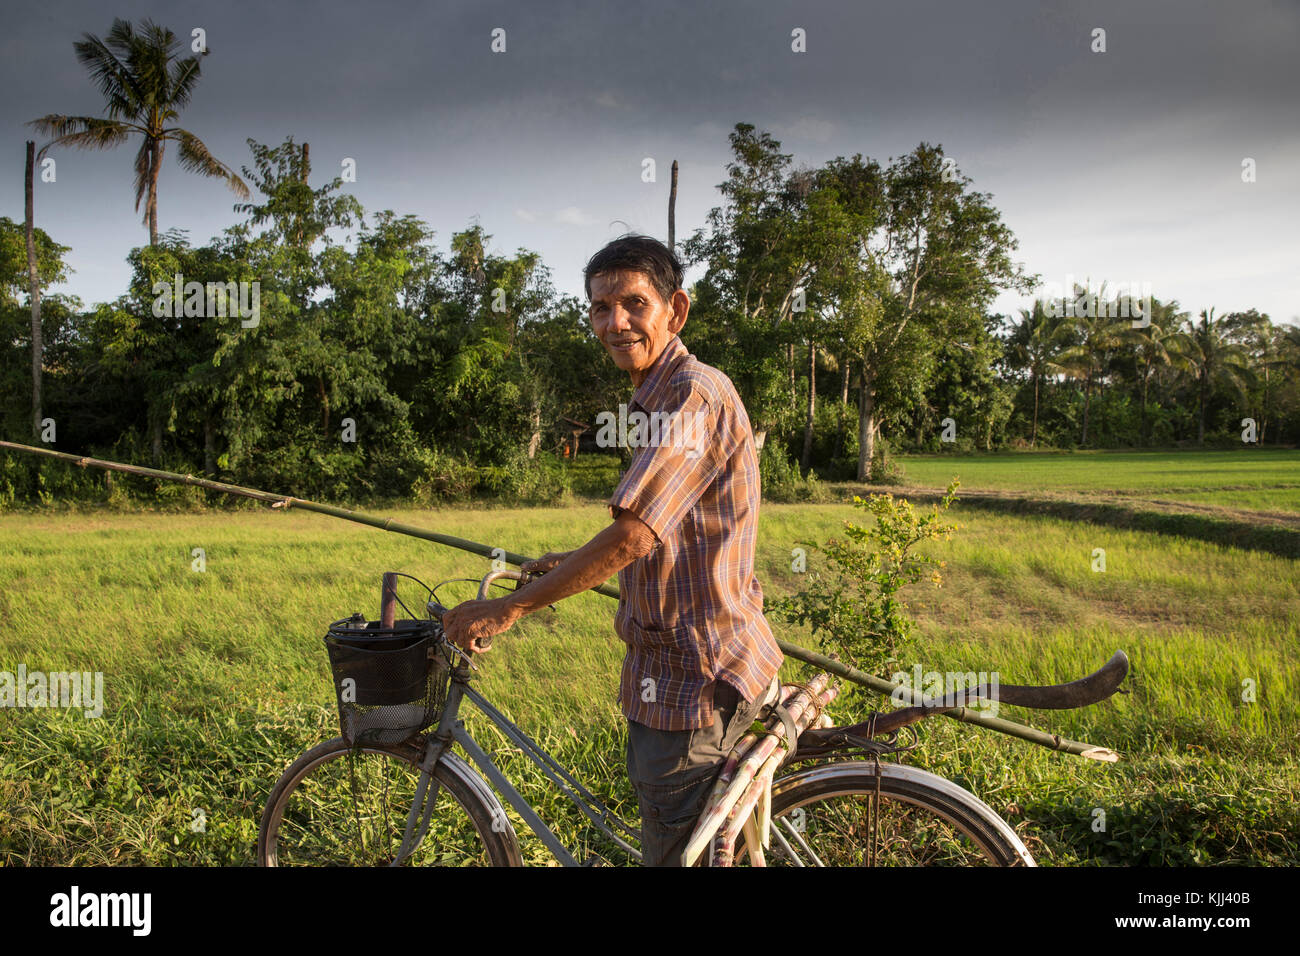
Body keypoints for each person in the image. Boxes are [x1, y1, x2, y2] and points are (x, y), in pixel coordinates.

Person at [441, 234, 782, 866]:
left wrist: (508, 610)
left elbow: (635, 536)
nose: (615, 322)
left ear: (674, 311)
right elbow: (664, 528)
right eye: (601, 307)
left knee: (676, 853)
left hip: (692, 682)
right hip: (697, 666)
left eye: (634, 303)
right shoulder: (659, 394)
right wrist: (566, 563)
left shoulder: (688, 396)